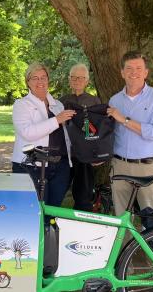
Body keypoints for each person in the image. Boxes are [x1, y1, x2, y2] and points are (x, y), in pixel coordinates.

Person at [107, 50, 153, 216]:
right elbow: (109, 134)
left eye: (138, 68)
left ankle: (149, 243)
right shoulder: (114, 100)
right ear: (122, 73)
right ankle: (126, 244)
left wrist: (124, 120)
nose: (134, 72)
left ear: (146, 72)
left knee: (151, 221)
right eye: (129, 68)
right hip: (120, 166)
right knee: (122, 219)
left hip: (147, 168)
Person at [12, 62, 75, 208]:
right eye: (35, 78)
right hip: (32, 166)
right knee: (33, 210)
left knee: (53, 209)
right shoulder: (21, 105)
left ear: (48, 80)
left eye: (43, 77)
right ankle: (39, 231)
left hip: (60, 166)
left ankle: (49, 230)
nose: (40, 82)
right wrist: (57, 120)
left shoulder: (58, 104)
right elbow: (27, 132)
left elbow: (67, 136)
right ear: (28, 82)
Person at [60, 63, 101, 212]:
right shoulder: (60, 102)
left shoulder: (94, 102)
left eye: (81, 78)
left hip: (85, 156)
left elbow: (98, 131)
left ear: (87, 81)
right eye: (74, 77)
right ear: (69, 80)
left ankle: (83, 227)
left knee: (83, 197)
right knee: (58, 191)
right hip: (64, 155)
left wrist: (97, 154)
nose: (77, 80)